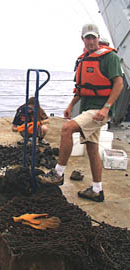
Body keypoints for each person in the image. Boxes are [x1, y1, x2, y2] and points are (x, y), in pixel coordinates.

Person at [40, 23, 123, 202]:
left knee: (67, 129)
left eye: (94, 37)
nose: (91, 40)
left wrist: (106, 108)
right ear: (83, 39)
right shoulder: (83, 59)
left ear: (98, 38)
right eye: (88, 37)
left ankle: (58, 173)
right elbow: (81, 88)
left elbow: (119, 84)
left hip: (100, 110)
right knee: (92, 149)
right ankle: (97, 190)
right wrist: (71, 105)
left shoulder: (110, 58)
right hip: (87, 107)